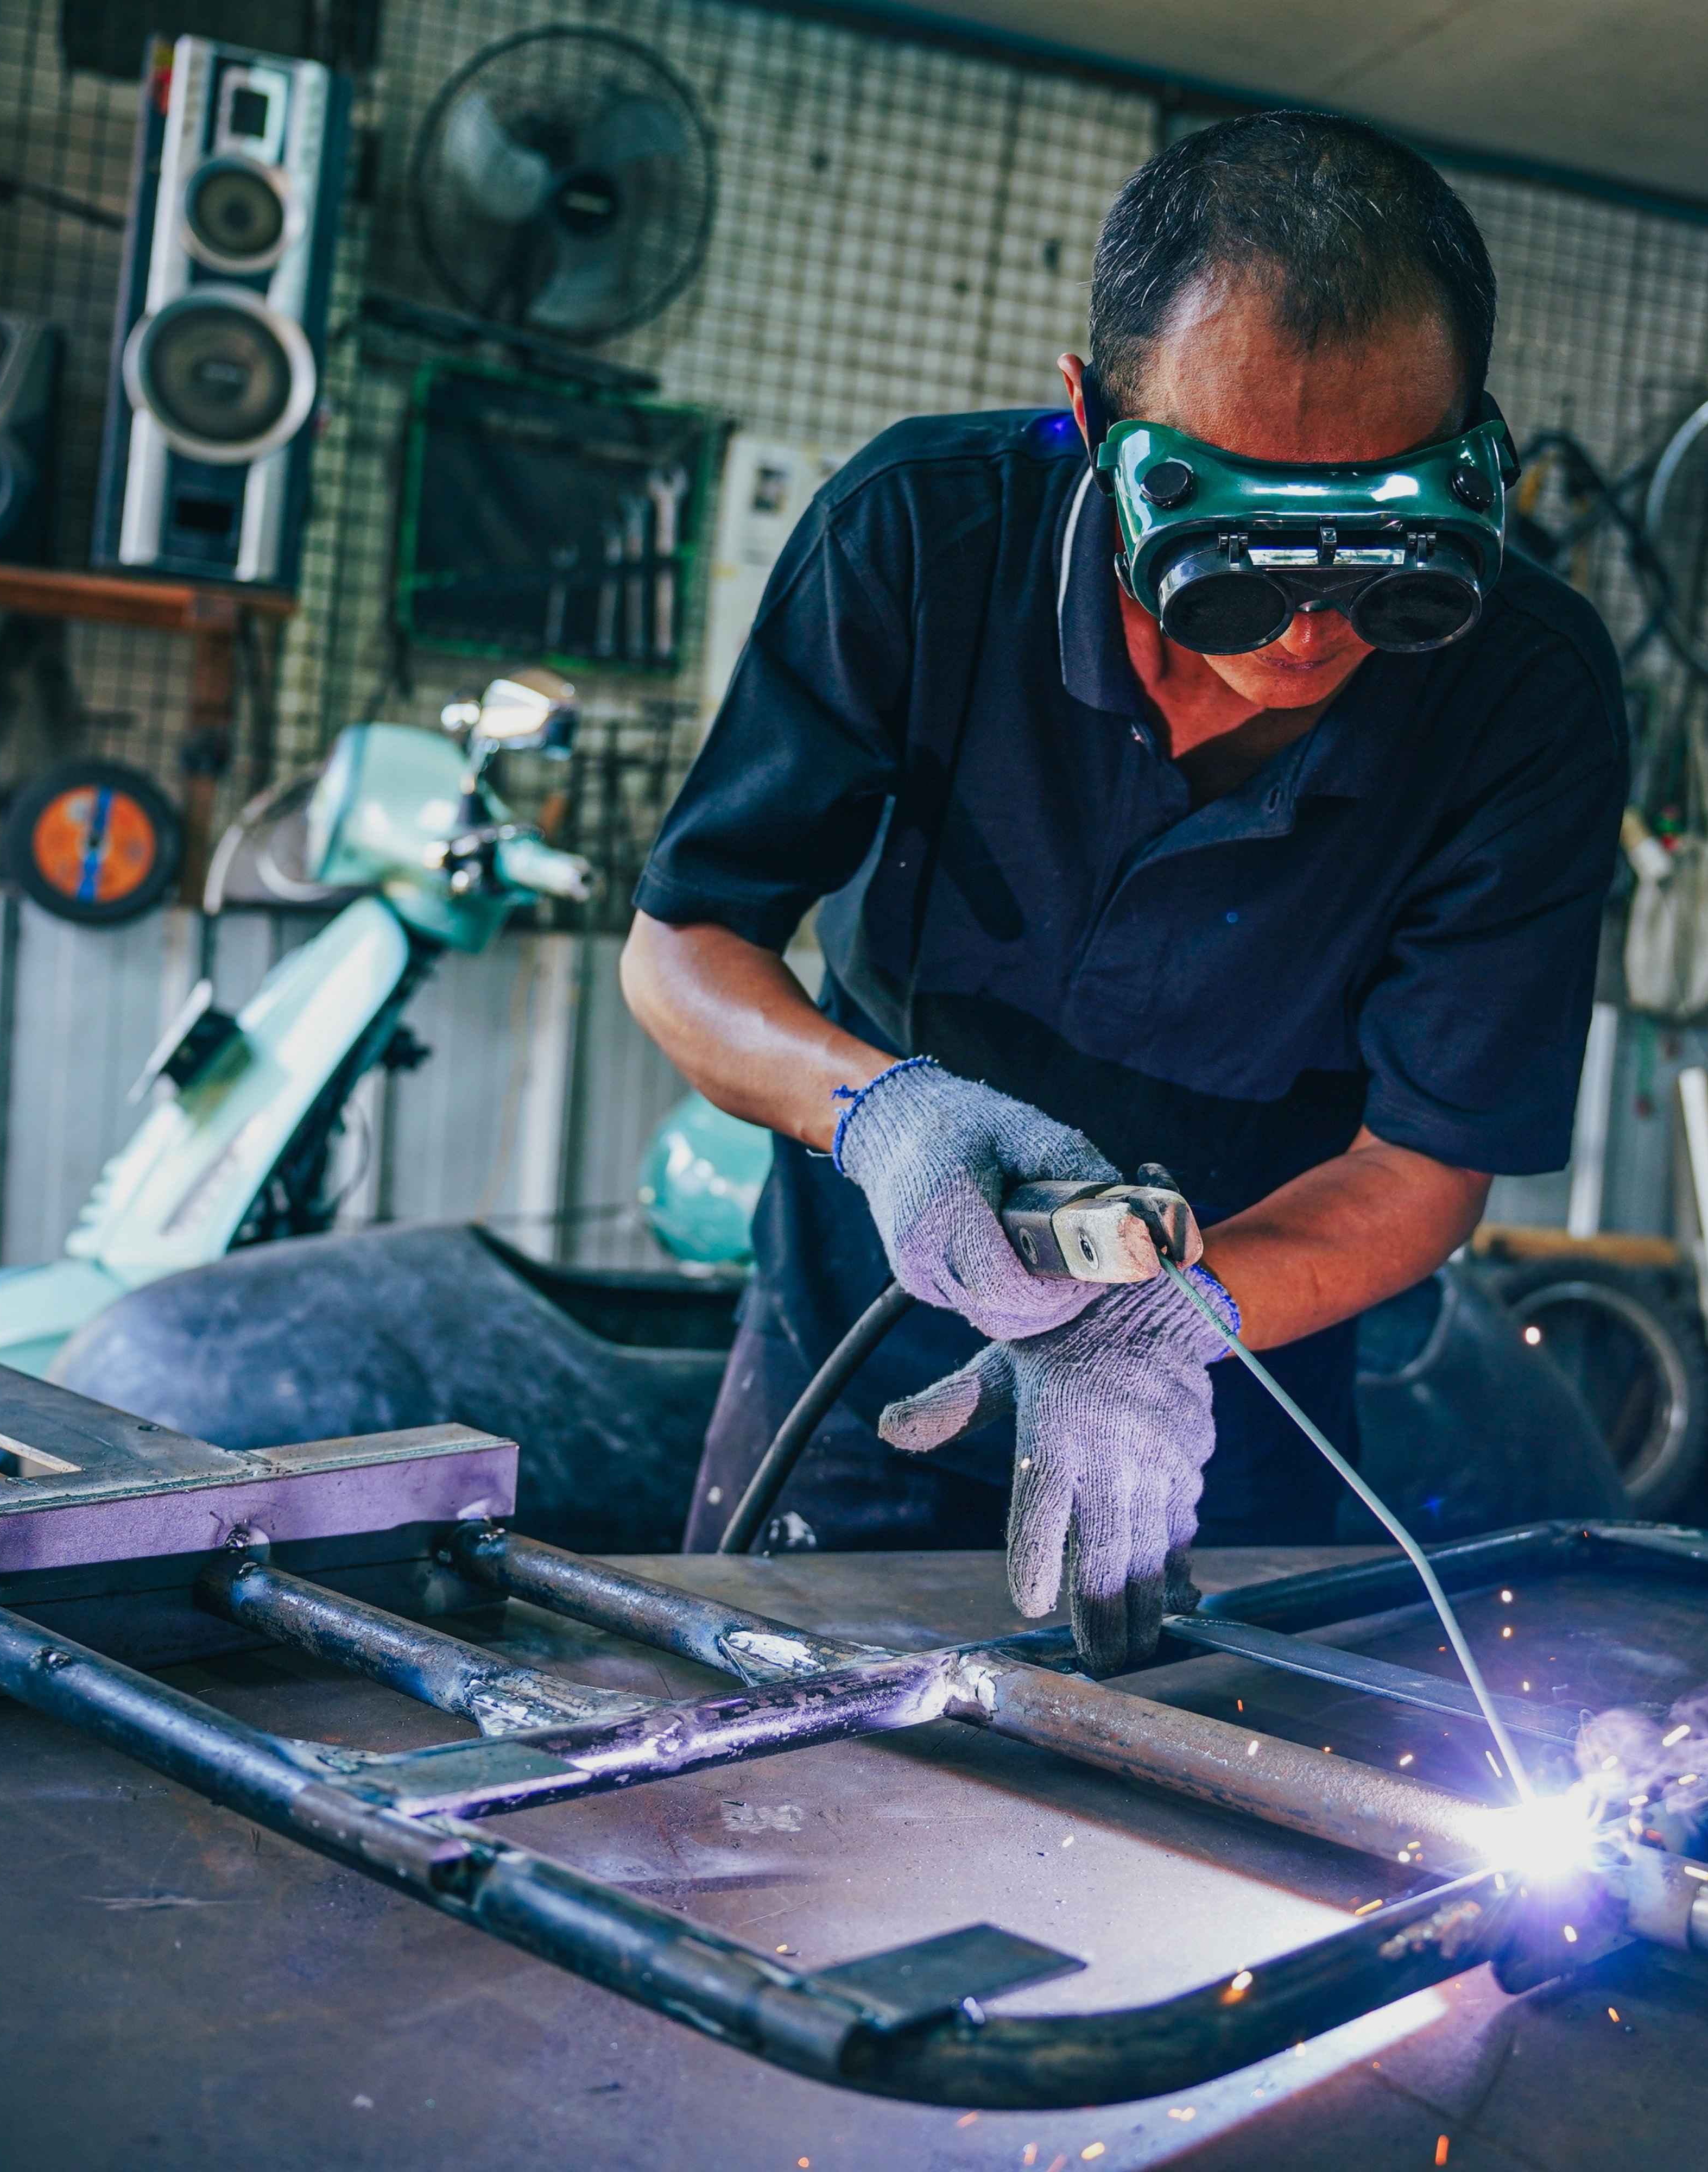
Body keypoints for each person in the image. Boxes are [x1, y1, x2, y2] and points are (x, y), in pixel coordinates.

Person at [623, 110, 1627, 1670]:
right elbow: (684, 950)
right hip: (861, 1352)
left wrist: (1170, 1316)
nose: (1304, 634)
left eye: (1379, 552)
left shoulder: (1526, 697)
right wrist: (880, 1115)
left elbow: (1423, 1169)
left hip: (1221, 1395)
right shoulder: (923, 540)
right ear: (1094, 421)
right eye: (1238, 553)